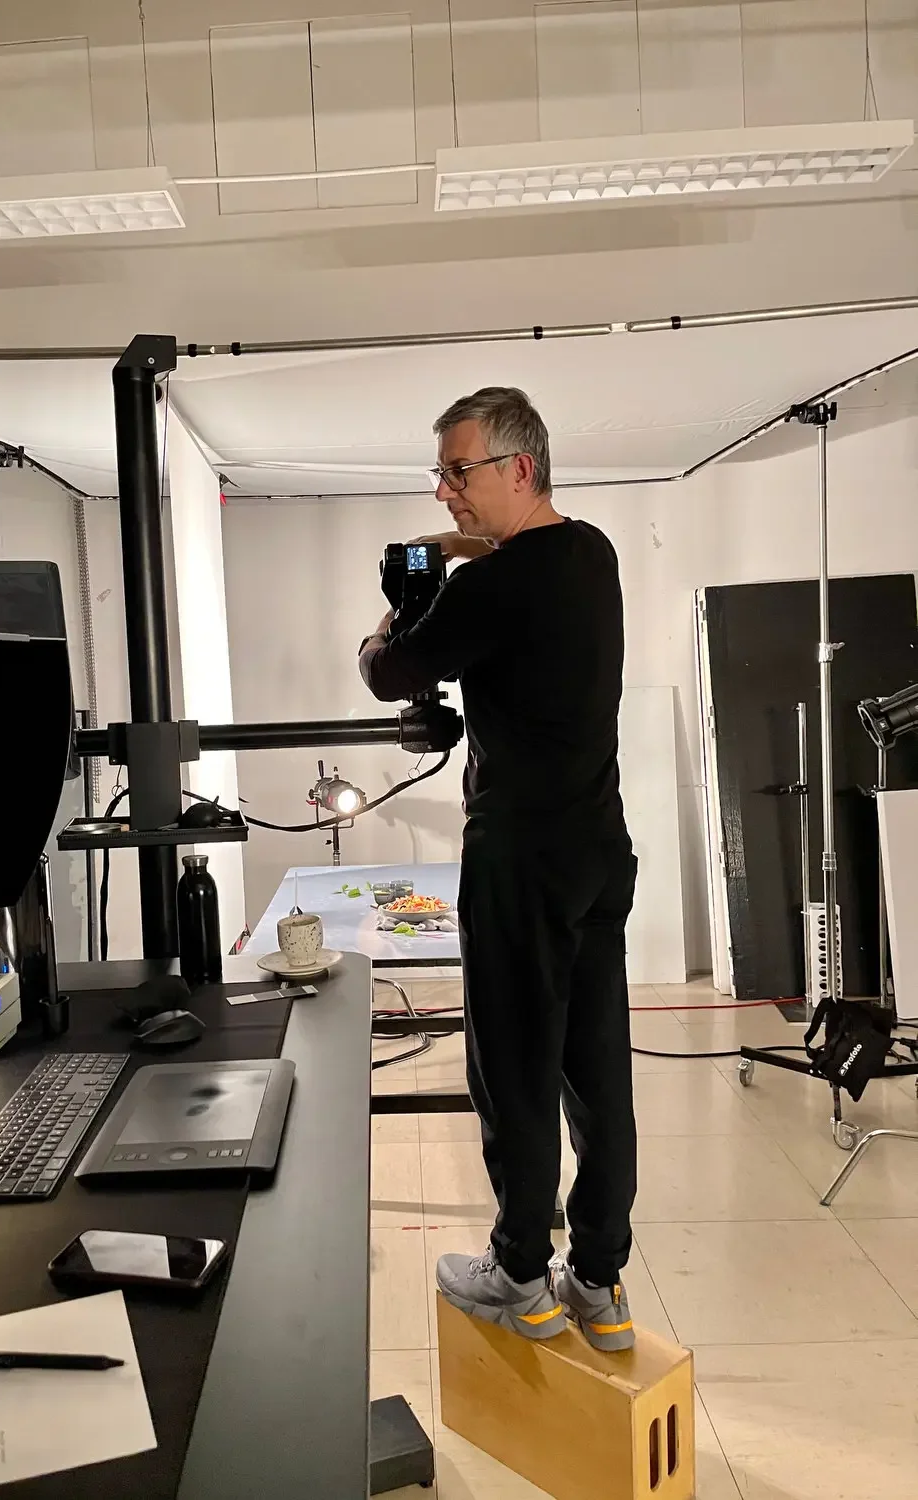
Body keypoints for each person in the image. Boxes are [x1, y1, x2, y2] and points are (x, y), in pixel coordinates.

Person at [358, 387, 638, 1352]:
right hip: (600, 851)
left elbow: (392, 672)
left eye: (457, 470)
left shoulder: (487, 589)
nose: (443, 493)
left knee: (514, 1071)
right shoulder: (591, 554)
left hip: (521, 858)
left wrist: (389, 621)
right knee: (599, 1071)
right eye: (438, 474)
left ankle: (521, 1271)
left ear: (519, 466)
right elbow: (518, 620)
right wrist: (457, 555)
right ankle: (598, 1277)